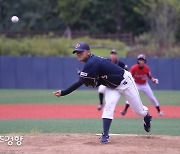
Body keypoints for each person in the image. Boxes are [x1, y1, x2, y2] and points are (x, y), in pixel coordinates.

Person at [53, 42, 152, 144]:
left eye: (81, 52)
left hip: (126, 82)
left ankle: (147, 115)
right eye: (77, 52)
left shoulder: (92, 63)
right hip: (112, 87)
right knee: (109, 106)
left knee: (139, 111)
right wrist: (90, 82)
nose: (78, 54)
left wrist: (63, 92)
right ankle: (105, 135)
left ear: (88, 52)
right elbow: (95, 82)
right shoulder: (90, 64)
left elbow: (80, 82)